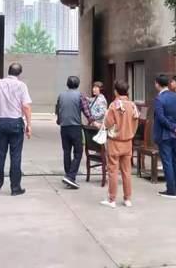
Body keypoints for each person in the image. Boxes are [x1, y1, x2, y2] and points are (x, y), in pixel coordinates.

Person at [0, 63, 32, 196]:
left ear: (8, 71)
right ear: (19, 73)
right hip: (15, 123)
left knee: (0, 155)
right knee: (15, 156)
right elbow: (26, 106)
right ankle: (15, 188)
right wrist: (29, 124)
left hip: (0, 122)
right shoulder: (21, 85)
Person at [100, 80, 140, 208]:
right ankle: (127, 199)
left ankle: (112, 199)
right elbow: (136, 123)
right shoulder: (132, 105)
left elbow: (108, 123)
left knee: (113, 171)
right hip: (128, 142)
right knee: (126, 171)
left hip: (115, 141)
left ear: (116, 91)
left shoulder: (114, 105)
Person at [154, 74, 176, 199]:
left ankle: (171, 190)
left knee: (167, 161)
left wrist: (174, 127)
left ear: (157, 84)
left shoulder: (159, 99)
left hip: (165, 134)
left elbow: (161, 118)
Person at [56, 76, 92, 189]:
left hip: (64, 128)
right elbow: (86, 111)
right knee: (78, 152)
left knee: (66, 151)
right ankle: (71, 176)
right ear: (78, 84)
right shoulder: (80, 95)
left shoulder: (61, 95)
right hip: (75, 127)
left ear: (67, 84)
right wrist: (92, 121)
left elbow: (58, 110)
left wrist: (59, 121)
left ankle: (68, 175)